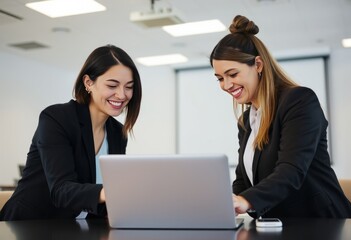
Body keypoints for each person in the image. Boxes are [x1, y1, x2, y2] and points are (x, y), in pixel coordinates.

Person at [210, 15, 351, 218]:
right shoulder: (247, 120)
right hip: (277, 224)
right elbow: (243, 179)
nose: (226, 85)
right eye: (220, 78)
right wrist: (222, 202)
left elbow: (290, 170)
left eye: (233, 74)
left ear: (258, 65)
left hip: (322, 223)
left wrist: (246, 201)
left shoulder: (299, 101)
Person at [0, 44, 142, 221]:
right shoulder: (56, 118)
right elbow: (61, 191)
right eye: (112, 85)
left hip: (76, 226)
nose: (122, 95)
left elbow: (105, 199)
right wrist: (111, 192)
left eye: (129, 87)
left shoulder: (117, 133)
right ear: (88, 83)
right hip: (27, 224)